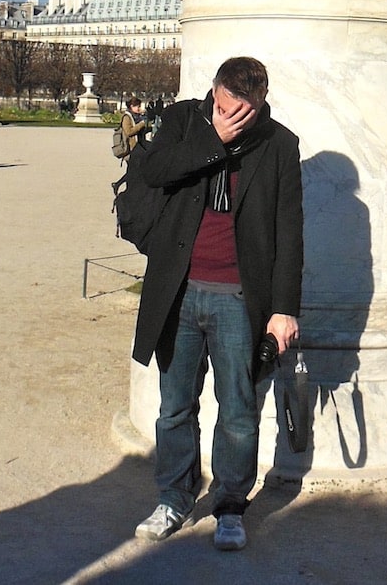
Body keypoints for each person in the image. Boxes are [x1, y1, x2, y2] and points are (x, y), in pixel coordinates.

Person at [132, 56, 303, 553]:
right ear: (214, 91)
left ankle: (230, 504)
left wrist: (284, 308)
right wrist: (215, 140)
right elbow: (153, 171)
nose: (232, 119)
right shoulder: (184, 120)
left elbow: (289, 230)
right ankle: (173, 498)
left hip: (239, 296)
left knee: (239, 412)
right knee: (174, 407)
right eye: (224, 108)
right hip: (179, 289)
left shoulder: (279, 143)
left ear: (262, 101)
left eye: (242, 113)